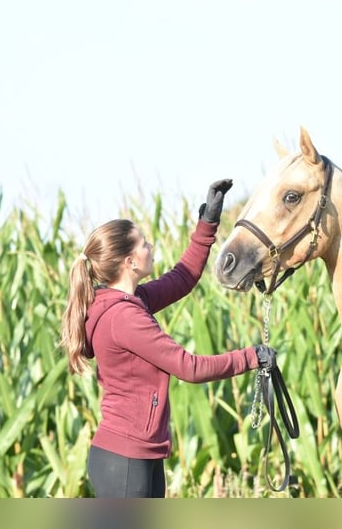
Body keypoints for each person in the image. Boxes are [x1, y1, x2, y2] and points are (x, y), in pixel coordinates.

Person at [59, 179, 276, 498]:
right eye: (143, 244)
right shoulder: (125, 318)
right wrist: (251, 356)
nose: (151, 248)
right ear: (129, 262)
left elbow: (182, 279)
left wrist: (208, 223)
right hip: (127, 460)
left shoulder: (130, 302)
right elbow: (189, 368)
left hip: (135, 455)